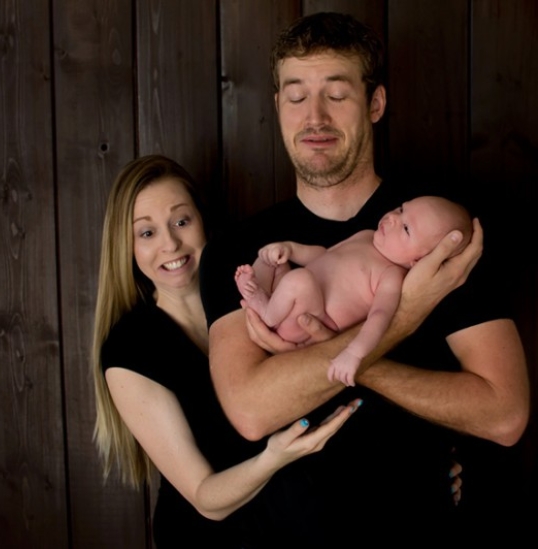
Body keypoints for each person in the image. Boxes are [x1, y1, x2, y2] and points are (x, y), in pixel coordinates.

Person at [200, 11, 531, 548]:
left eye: (337, 94)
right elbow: (252, 410)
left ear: (375, 104)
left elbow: (504, 413)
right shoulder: (242, 252)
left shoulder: (435, 234)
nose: (315, 116)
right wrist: (402, 319)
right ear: (277, 105)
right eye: (296, 94)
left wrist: (351, 358)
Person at [90, 154, 361, 548]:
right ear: (125, 246)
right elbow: (206, 498)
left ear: (203, 221)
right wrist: (273, 457)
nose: (170, 244)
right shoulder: (131, 347)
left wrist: (413, 466)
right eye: (146, 233)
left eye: (181, 221)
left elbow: (332, 374)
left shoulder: (257, 291)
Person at [235, 195, 473, 386]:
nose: (392, 218)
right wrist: (291, 249)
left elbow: (379, 317)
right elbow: (325, 255)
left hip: (305, 321)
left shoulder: (391, 277)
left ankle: (265, 310)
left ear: (419, 262)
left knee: (299, 280)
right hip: (293, 295)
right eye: (401, 209)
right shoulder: (367, 235)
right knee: (271, 258)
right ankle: (260, 293)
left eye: (406, 229)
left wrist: (354, 353)